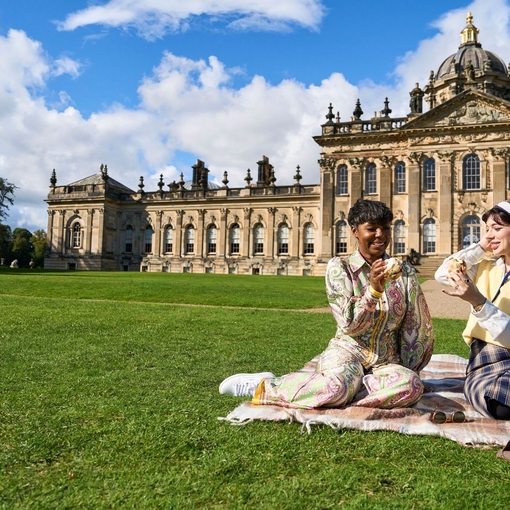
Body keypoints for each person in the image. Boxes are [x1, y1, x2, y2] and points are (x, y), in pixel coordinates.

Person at [219, 199, 434, 410]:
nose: (381, 235)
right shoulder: (339, 268)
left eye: (385, 228)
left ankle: (342, 390)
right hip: (348, 352)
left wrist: (409, 370)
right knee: (337, 387)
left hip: (386, 361)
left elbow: (416, 325)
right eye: (372, 228)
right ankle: (267, 386)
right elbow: (349, 325)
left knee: (411, 385)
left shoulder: (404, 272)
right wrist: (374, 290)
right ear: (354, 231)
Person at [435, 200, 510, 420]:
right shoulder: (484, 265)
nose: (490, 236)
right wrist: (480, 248)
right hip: (488, 360)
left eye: (497, 228)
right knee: (500, 402)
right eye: (487, 230)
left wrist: (478, 301)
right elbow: (442, 274)